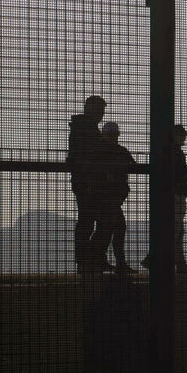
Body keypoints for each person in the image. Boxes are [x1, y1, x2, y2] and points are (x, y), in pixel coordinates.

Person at [143, 124, 187, 274]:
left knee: (173, 230)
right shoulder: (176, 152)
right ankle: (162, 260)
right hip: (176, 195)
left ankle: (170, 261)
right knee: (176, 231)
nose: (184, 137)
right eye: (182, 135)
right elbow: (179, 174)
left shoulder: (166, 151)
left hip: (169, 195)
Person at [68, 95, 108, 274]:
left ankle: (88, 260)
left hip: (86, 182)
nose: (101, 114)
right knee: (91, 222)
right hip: (89, 183)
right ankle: (89, 260)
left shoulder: (82, 127)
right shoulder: (87, 129)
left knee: (88, 221)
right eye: (99, 110)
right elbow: (89, 156)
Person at [91, 121, 137, 275]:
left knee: (107, 229)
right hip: (109, 197)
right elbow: (134, 166)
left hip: (106, 198)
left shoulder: (98, 151)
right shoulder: (120, 151)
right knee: (113, 228)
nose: (113, 137)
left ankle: (98, 261)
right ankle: (114, 263)